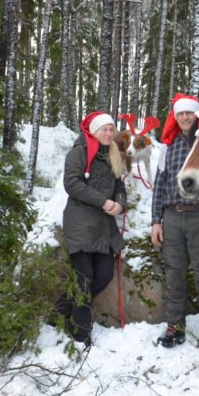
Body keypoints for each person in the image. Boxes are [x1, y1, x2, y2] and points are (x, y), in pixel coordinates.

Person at [152, 93, 199, 348]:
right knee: (174, 274)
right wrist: (155, 221)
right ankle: (175, 326)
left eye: (188, 113)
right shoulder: (167, 146)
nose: (184, 117)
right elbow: (159, 184)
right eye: (180, 114)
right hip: (171, 216)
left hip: (198, 216)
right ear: (176, 116)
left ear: (196, 114)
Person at [56, 111, 127, 346]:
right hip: (80, 221)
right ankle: (81, 334)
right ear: (93, 131)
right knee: (84, 278)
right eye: (103, 129)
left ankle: (62, 308)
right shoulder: (80, 151)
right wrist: (103, 201)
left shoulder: (112, 155)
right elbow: (72, 183)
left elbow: (119, 186)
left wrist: (119, 204)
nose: (108, 133)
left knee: (104, 275)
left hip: (103, 226)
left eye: (111, 129)